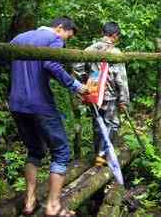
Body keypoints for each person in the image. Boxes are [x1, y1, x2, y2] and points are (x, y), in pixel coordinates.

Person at [9, 17, 88, 217]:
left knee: (34, 150)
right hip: (40, 104)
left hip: (17, 103)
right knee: (61, 151)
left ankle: (29, 202)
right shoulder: (53, 39)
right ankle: (53, 206)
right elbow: (52, 65)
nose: (65, 43)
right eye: (67, 37)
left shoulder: (20, 37)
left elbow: (0, 58)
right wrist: (76, 86)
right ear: (60, 28)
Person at [73, 22, 130, 166]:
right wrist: (124, 100)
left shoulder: (90, 49)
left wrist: (84, 83)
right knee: (112, 123)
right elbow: (121, 79)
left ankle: (98, 154)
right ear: (115, 35)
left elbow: (77, 66)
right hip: (110, 95)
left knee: (97, 123)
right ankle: (102, 155)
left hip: (93, 93)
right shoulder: (115, 53)